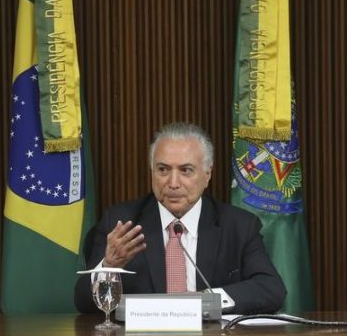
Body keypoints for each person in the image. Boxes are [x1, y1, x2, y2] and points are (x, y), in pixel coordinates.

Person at [74, 122, 287, 314]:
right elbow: (82, 301)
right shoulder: (121, 224)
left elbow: (271, 289)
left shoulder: (238, 226)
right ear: (151, 171)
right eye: (163, 170)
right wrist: (109, 267)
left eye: (186, 170)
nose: (173, 183)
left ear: (207, 174)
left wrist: (207, 301)